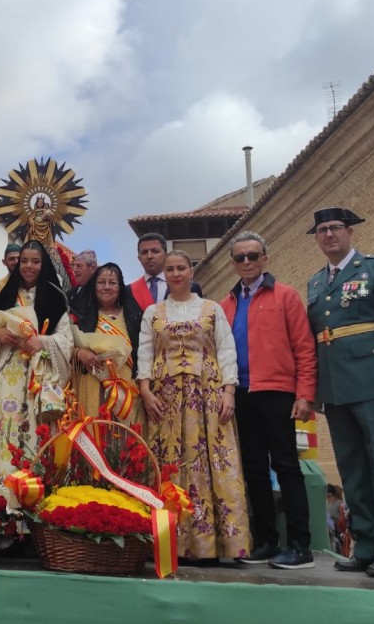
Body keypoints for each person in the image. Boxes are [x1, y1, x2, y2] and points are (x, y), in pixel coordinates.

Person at [305, 207, 374, 579]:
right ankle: (365, 547)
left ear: (350, 232)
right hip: (336, 389)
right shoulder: (316, 283)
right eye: (322, 230)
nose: (329, 235)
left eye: (335, 228)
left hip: (373, 384)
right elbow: (319, 339)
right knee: (352, 473)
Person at [137, 250, 250, 562]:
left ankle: (216, 545)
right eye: (170, 269)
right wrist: (145, 391)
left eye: (181, 268)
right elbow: (144, 353)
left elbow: (227, 350)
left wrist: (229, 392)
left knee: (212, 461)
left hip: (207, 397)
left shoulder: (211, 309)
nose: (176, 274)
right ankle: (168, 541)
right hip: (166, 399)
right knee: (168, 463)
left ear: (191, 271)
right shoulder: (153, 312)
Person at [220, 231, 317, 569]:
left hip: (278, 393)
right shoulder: (226, 304)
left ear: (265, 258)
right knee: (254, 469)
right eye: (240, 257)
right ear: (233, 263)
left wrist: (305, 394)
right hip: (241, 395)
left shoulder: (286, 296)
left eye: (253, 256)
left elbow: (305, 348)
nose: (246, 262)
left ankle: (300, 545)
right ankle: (265, 540)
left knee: (287, 467)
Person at [0, 241, 73, 477]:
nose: (29, 266)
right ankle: (1, 480)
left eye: (35, 261)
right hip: (7, 373)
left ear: (44, 264)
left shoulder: (55, 299)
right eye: (24, 261)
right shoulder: (5, 296)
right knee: (4, 424)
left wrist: (43, 341)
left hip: (38, 374)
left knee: (33, 426)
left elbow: (67, 338)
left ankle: (35, 483)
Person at [70, 262, 144, 427]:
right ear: (94, 286)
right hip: (92, 384)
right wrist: (80, 353)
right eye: (101, 282)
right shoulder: (80, 317)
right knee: (94, 432)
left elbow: (142, 352)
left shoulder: (133, 317)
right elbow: (65, 344)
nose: (107, 287)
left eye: (112, 283)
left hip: (124, 388)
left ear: (120, 287)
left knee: (125, 439)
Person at [67, 250, 97, 314]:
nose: (74, 270)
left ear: (92, 268)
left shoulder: (99, 293)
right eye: (73, 265)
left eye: (79, 266)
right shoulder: (70, 292)